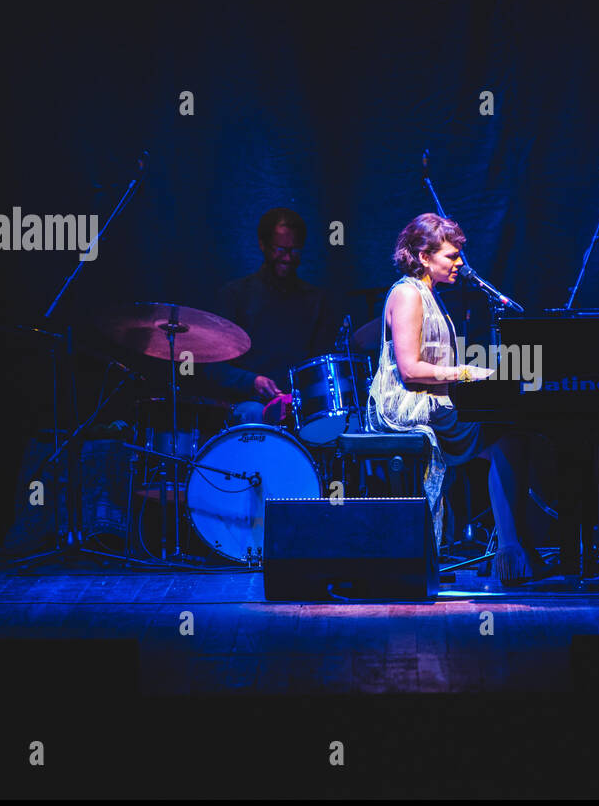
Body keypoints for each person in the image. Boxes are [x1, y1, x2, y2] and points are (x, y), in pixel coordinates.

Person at [368, 213, 546, 585]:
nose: (460, 263)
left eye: (459, 254)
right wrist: (467, 373)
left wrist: (480, 373)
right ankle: (508, 550)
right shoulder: (406, 294)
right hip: (403, 405)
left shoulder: (433, 297)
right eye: (451, 255)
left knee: (511, 432)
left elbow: (439, 366)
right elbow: (411, 371)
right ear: (422, 255)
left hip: (431, 399)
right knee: (501, 428)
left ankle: (514, 549)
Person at [207, 207, 342, 424]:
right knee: (252, 413)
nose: (288, 258)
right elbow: (213, 368)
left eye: (295, 251)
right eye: (280, 249)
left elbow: (321, 363)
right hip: (250, 403)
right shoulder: (235, 295)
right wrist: (252, 381)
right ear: (262, 245)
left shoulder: (316, 300)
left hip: (300, 406)